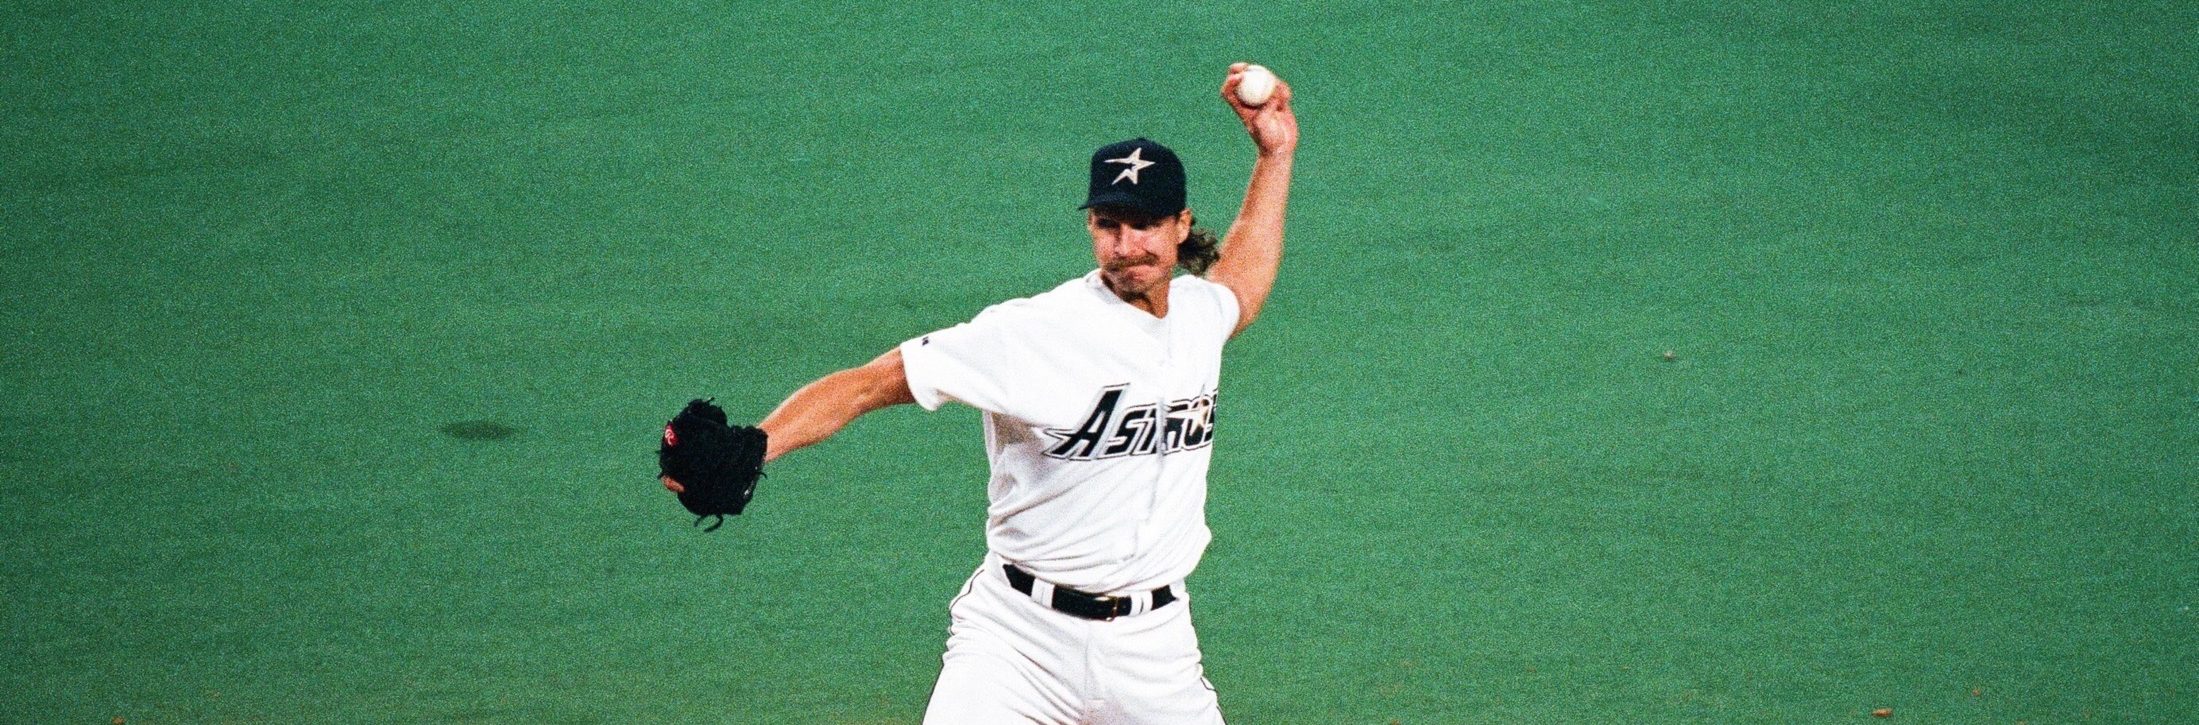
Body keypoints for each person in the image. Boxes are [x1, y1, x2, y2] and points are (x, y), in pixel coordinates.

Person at [671, 63, 1296, 723]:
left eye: (1144, 224)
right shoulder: (1033, 333)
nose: (1126, 245)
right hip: (1017, 642)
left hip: (1154, 648)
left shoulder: (1197, 316)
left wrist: (1275, 154)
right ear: (1091, 228)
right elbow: (870, 382)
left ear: (1180, 224)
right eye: (1109, 224)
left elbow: (1242, 282)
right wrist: (759, 443)